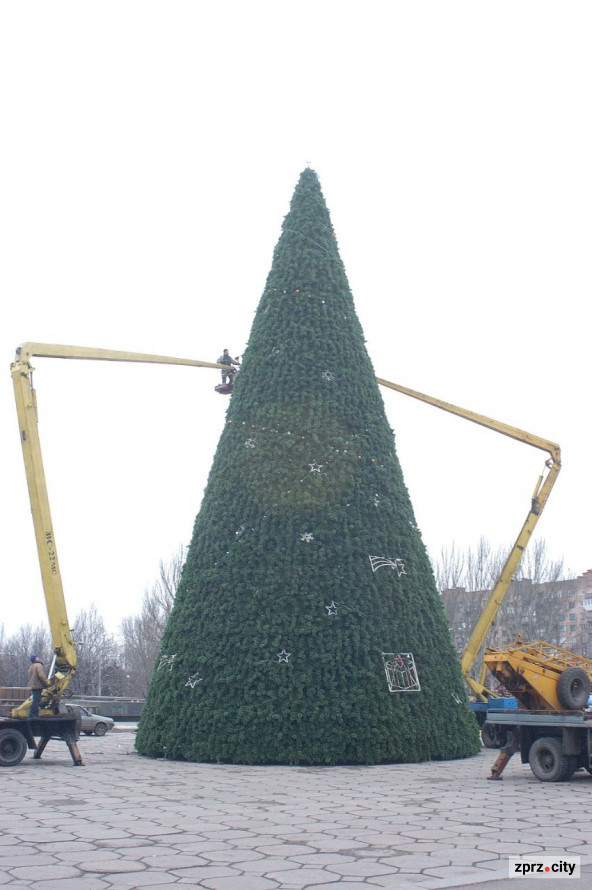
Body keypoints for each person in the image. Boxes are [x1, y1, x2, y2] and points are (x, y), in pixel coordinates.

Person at [28, 654, 49, 719]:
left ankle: (35, 715)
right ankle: (31, 716)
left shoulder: (31, 666)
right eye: (37, 657)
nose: (38, 658)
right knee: (36, 701)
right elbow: (41, 675)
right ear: (35, 659)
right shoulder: (38, 665)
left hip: (33, 686)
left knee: (36, 700)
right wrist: (46, 683)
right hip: (38, 686)